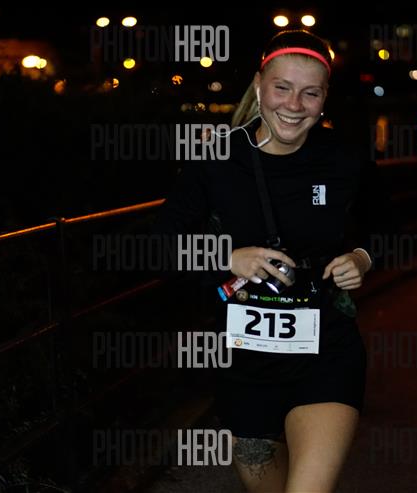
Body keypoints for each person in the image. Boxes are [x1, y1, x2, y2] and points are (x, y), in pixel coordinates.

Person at [152, 29, 383, 492]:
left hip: (326, 352)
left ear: (324, 98)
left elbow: (383, 226)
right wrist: (227, 256)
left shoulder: (345, 160)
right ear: (259, 86)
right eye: (282, 87)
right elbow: (161, 243)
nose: (294, 105)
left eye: (310, 92)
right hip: (244, 365)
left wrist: (361, 257)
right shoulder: (215, 158)